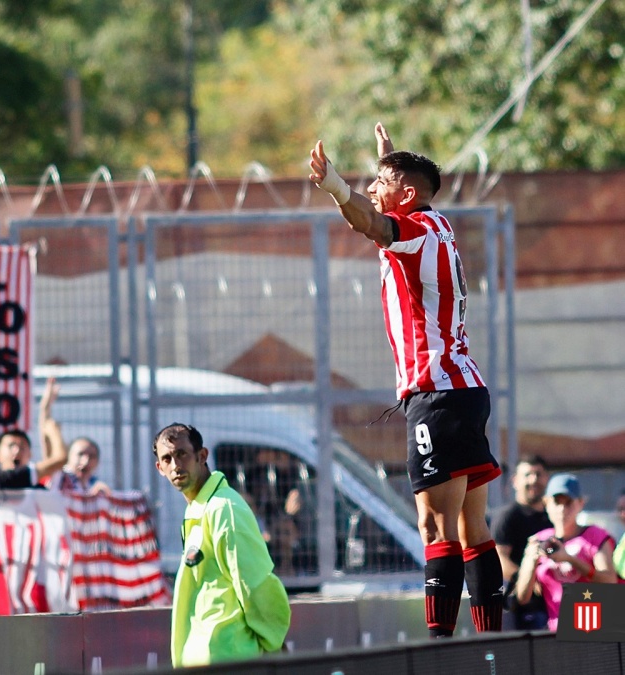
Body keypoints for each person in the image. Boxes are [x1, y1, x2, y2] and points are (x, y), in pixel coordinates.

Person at [309, 124, 503, 637]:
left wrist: (334, 187)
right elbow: (391, 203)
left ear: (408, 194)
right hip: (462, 388)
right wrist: (389, 160)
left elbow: (371, 222)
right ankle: (492, 646)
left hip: (436, 394)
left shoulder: (414, 230)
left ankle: (440, 646)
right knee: (471, 525)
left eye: (381, 179)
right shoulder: (435, 225)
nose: (373, 186)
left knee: (435, 527)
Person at [153, 423, 290, 667]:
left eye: (182, 454)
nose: (175, 465)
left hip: (232, 658)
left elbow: (255, 583)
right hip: (208, 658)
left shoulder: (223, 508)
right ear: (160, 468)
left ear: (202, 456)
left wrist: (273, 640)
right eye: (167, 458)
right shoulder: (200, 509)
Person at [514, 473, 618, 631]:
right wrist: (531, 560)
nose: (562, 509)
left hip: (596, 628)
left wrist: (571, 559)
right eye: (556, 502)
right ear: (546, 503)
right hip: (558, 631)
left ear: (580, 503)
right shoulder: (540, 540)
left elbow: (610, 583)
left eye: (568, 502)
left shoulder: (595, 536)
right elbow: (522, 597)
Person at [490, 455, 552, 629]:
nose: (534, 480)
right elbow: (500, 561)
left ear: (547, 478)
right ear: (515, 481)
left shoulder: (554, 515)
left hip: (555, 603)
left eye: (539, 474)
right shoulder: (508, 517)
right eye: (527, 475)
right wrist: (530, 579)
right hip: (523, 607)